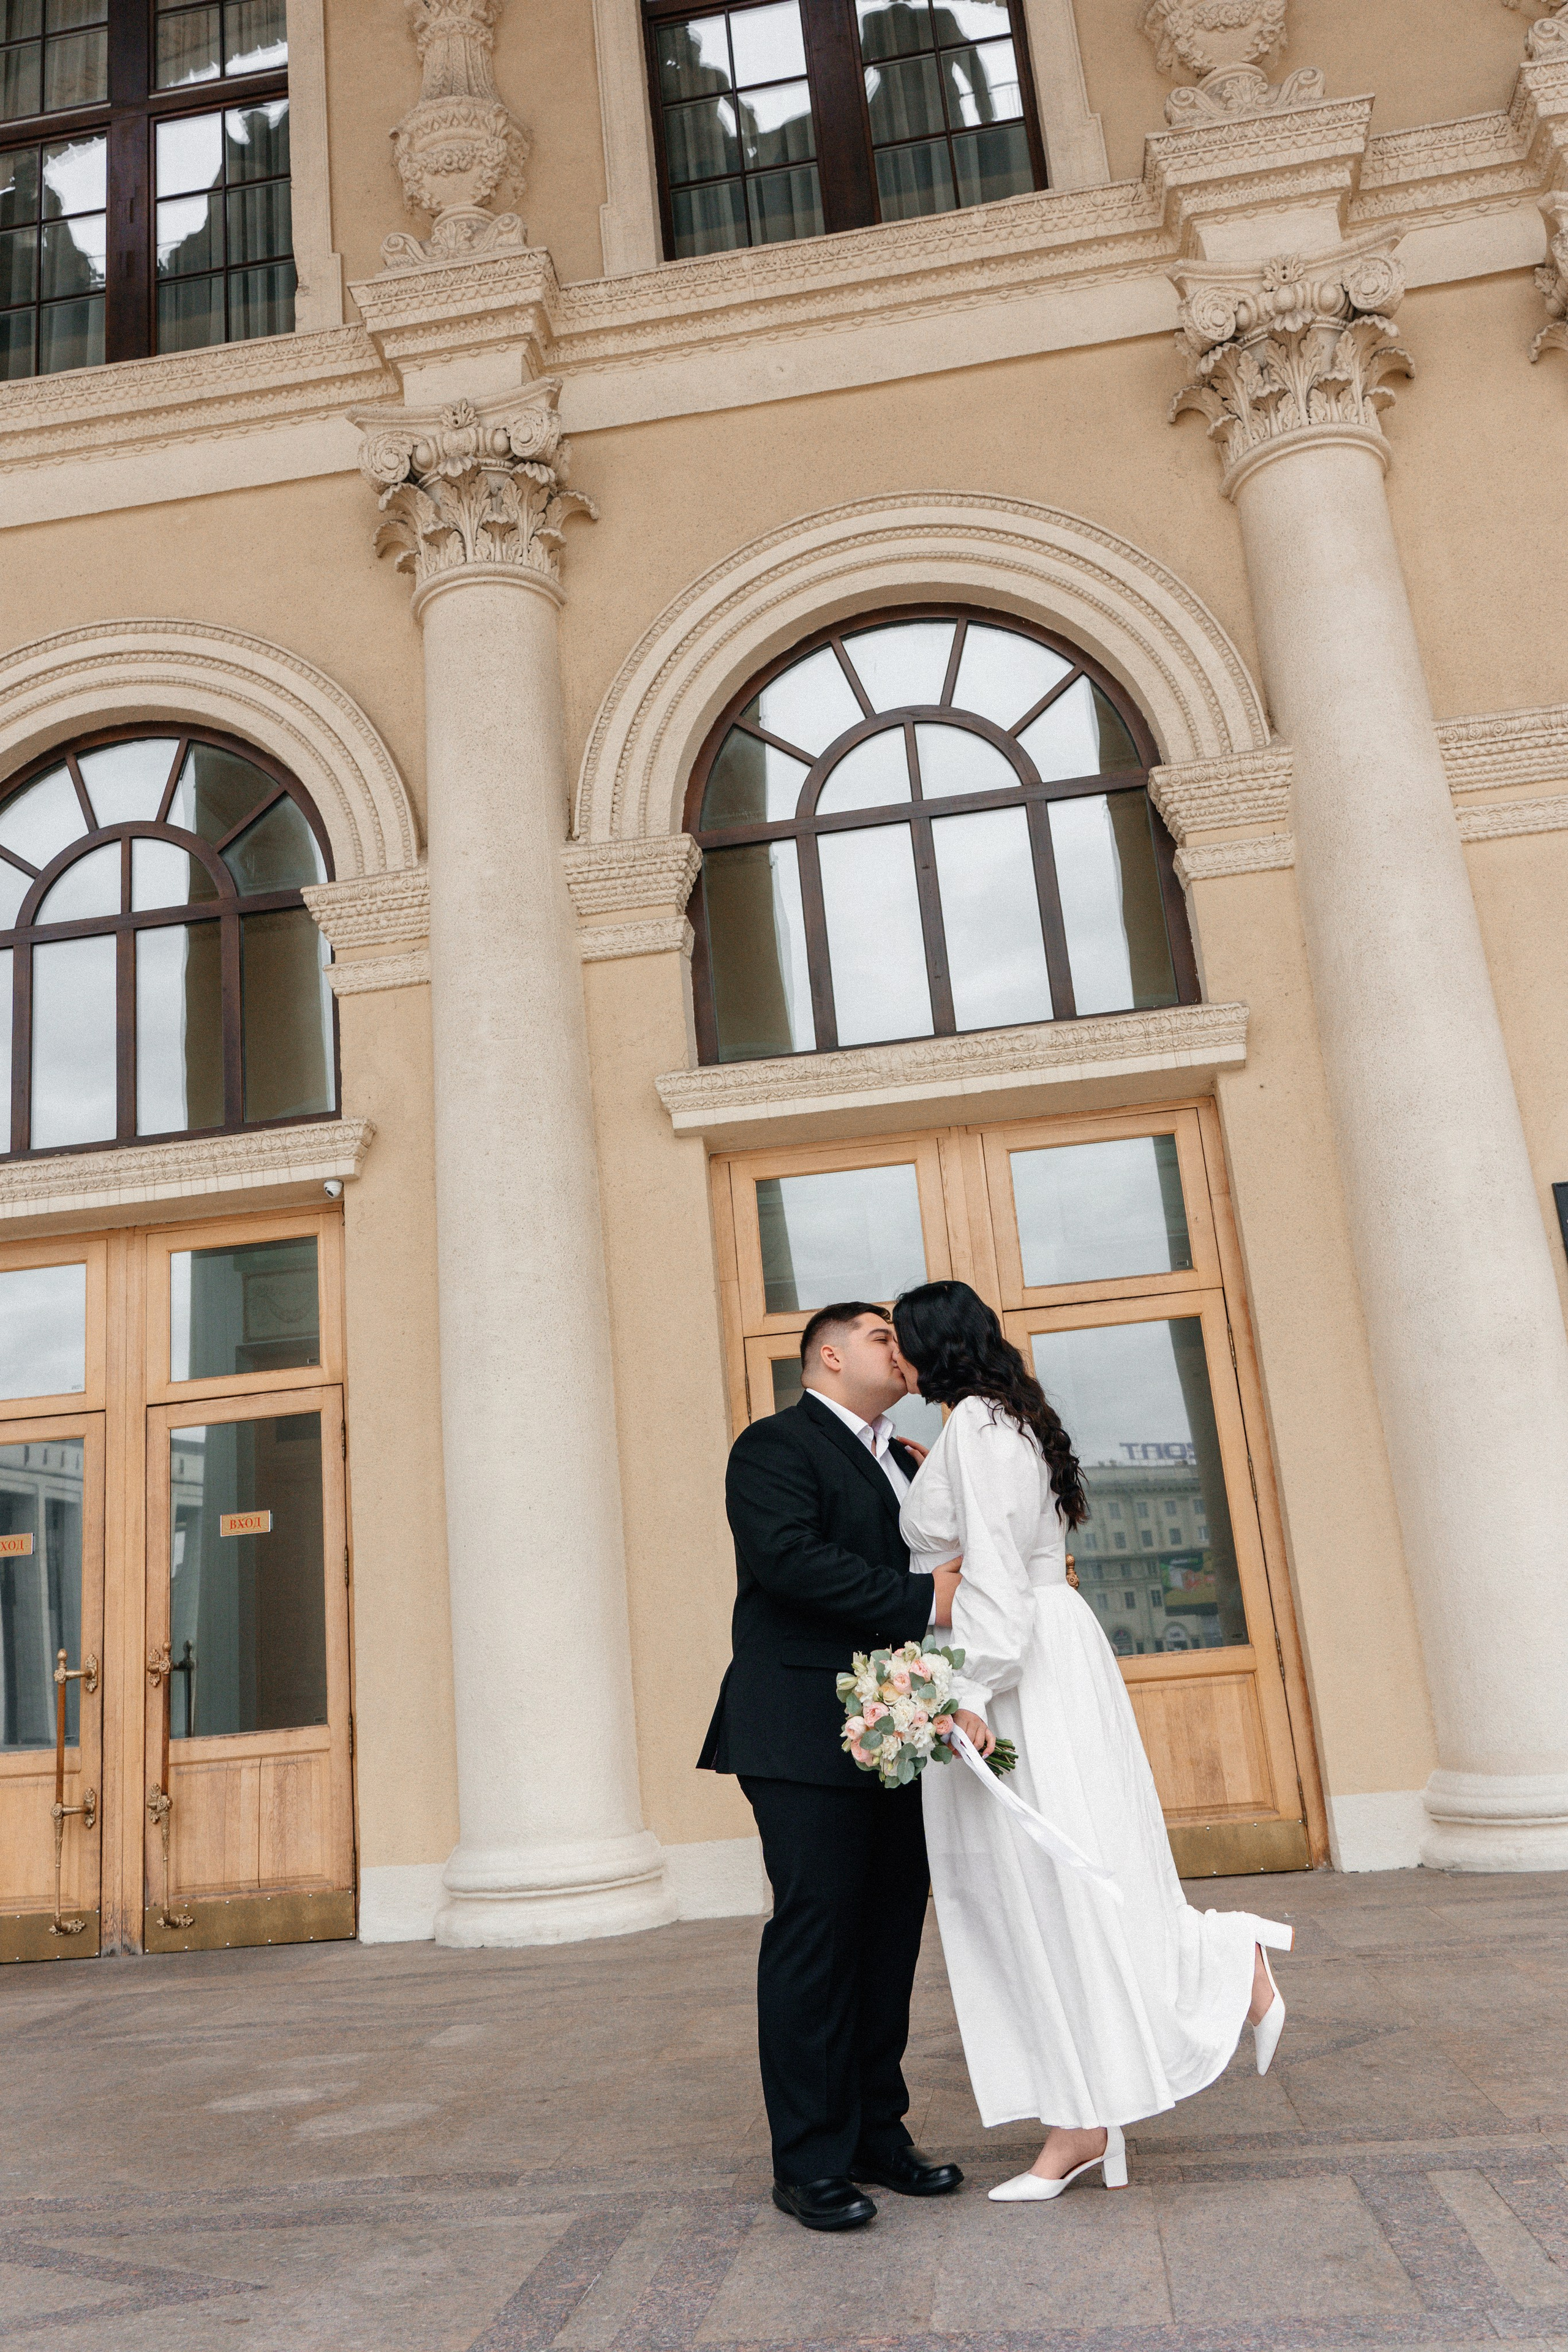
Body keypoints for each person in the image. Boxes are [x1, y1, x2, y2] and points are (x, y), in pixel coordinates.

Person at [891, 1279, 1293, 2204]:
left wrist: (971, 1689)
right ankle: (1087, 2116)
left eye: (901, 1340)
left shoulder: (982, 1432)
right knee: (1047, 1881)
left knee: (1048, 1878)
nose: (896, 1359)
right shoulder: (998, 1424)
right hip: (1040, 1650)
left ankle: (1222, 1972)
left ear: (932, 1344)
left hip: (1017, 1666)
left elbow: (993, 1572)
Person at [698, 1300, 964, 2232]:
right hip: (801, 1729)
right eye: (884, 1337)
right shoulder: (774, 1446)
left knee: (890, 1934)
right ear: (829, 1354)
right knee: (818, 1939)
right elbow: (790, 1561)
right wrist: (925, 1598)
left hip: (899, 1729)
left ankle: (875, 2135)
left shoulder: (910, 1458)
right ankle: (809, 2161)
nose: (903, 1350)